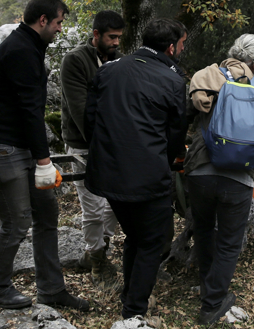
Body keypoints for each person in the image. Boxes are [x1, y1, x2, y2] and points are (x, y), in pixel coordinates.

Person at [0, 0, 89, 311]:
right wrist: (44, 161)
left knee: (47, 213)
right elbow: (30, 112)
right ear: (44, 20)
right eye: (59, 22)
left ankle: (51, 289)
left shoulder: (31, 47)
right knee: (16, 222)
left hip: (16, 146)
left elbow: (30, 111)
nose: (61, 29)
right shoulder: (21, 50)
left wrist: (40, 158)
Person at [84, 18, 188, 321]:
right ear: (170, 47)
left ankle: (130, 295)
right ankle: (134, 313)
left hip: (108, 171)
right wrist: (165, 164)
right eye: (181, 45)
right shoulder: (172, 80)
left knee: (135, 235)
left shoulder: (108, 69)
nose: (182, 49)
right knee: (152, 241)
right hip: (146, 174)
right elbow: (175, 135)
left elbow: (90, 119)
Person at [185, 34, 254, 325]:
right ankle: (212, 303)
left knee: (205, 230)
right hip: (239, 175)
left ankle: (207, 286)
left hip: (200, 170)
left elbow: (191, 112)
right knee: (230, 242)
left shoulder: (207, 75)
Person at [60, 10, 124, 283]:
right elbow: (81, 111)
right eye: (112, 37)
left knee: (117, 202)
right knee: (93, 207)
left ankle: (97, 249)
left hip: (114, 143)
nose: (116, 42)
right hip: (83, 144)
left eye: (119, 37)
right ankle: (97, 261)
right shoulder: (75, 60)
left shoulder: (119, 60)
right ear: (96, 34)